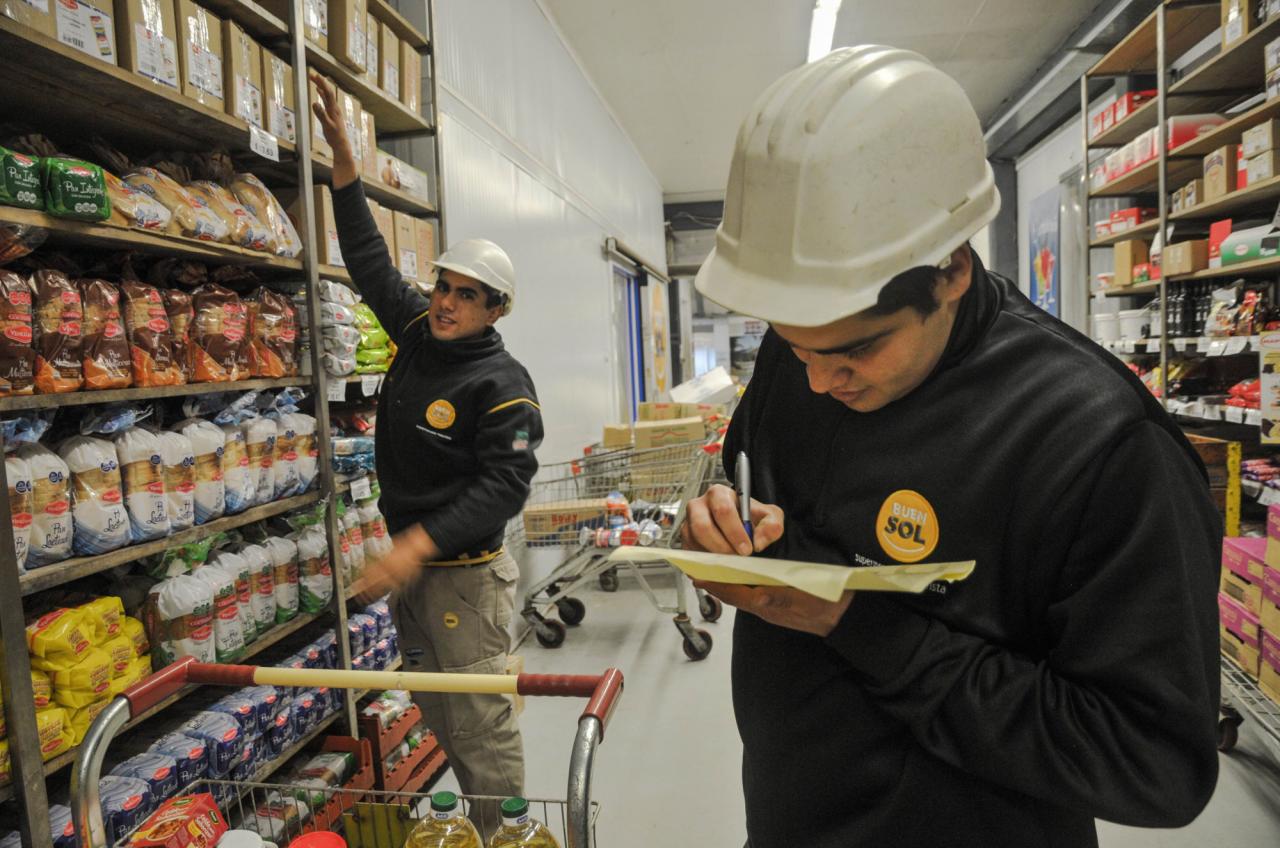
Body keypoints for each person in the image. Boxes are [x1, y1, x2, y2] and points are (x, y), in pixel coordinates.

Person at [683, 46, 1220, 847]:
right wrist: (724, 529)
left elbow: (1151, 762)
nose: (819, 381)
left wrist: (859, 622)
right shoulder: (800, 357)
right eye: (795, 347)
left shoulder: (1099, 442)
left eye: (857, 350)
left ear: (953, 271)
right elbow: (755, 494)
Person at [310, 73, 542, 837]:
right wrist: (347, 167)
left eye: (467, 294)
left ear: (495, 310)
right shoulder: (417, 333)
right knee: (440, 718)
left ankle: (509, 837)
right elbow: (370, 262)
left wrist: (415, 546)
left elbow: (506, 485)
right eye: (444, 285)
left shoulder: (503, 386)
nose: (445, 301)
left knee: (481, 731)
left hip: (465, 583)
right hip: (417, 577)